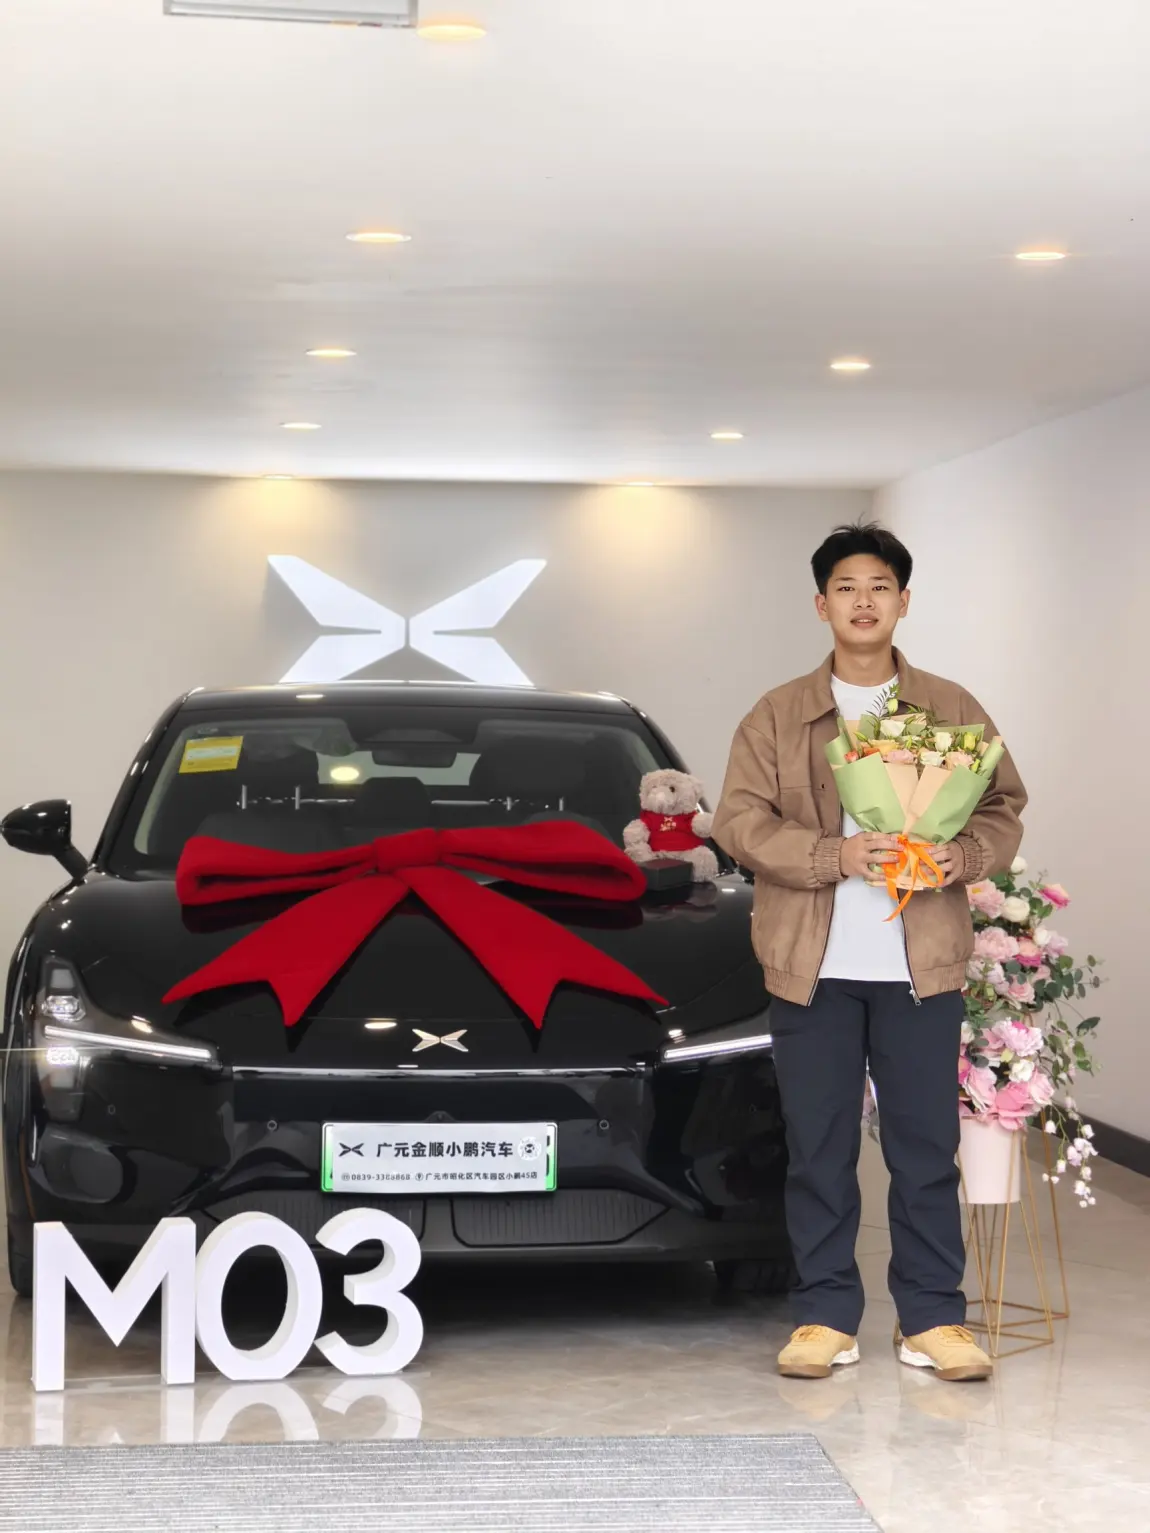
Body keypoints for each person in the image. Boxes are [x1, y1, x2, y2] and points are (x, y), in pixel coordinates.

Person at [712, 520, 1026, 1383]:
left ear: (904, 601)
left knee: (924, 1148)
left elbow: (1002, 805)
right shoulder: (777, 713)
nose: (863, 601)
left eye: (879, 586)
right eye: (846, 587)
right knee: (818, 1149)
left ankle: (933, 1318)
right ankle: (823, 1315)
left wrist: (963, 857)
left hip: (920, 966)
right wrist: (834, 853)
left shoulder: (950, 706)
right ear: (821, 605)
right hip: (812, 967)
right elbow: (739, 820)